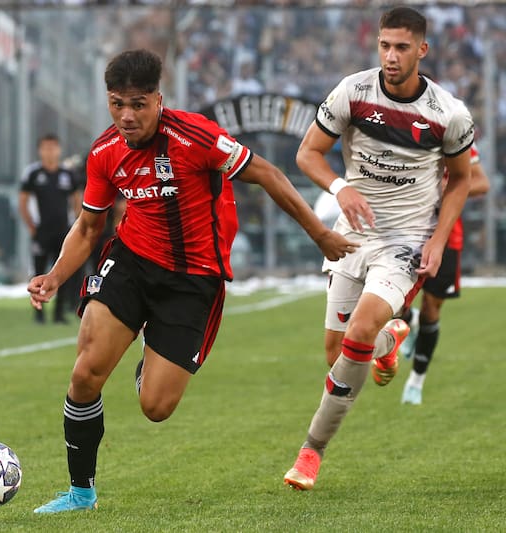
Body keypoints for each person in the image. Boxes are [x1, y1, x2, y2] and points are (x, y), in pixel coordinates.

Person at [27, 48, 355, 513]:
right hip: (132, 262)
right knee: (85, 373)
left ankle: (150, 359)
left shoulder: (195, 136)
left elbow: (268, 174)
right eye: (117, 103)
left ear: (159, 100)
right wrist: (55, 276)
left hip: (194, 280)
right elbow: (87, 227)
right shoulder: (103, 153)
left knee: (156, 408)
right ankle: (81, 492)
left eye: (138, 104)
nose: (127, 115)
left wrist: (320, 234)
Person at [283, 6, 474, 491]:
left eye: (402, 47)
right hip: (352, 238)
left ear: (422, 50)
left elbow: (460, 181)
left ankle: (310, 452)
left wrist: (435, 240)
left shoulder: (448, 114)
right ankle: (390, 342)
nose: (391, 56)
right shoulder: (353, 91)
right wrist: (340, 187)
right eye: (385, 46)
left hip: (405, 243)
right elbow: (307, 154)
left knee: (360, 330)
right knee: (338, 354)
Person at [399, 144, 489, 404]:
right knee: (392, 303)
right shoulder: (401, 131)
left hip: (447, 237)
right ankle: (409, 320)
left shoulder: (455, 135)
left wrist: (443, 191)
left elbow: (481, 183)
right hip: (405, 232)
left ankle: (417, 380)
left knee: (431, 308)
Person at [18, 133, 82, 324]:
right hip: (41, 231)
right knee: (39, 270)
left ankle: (58, 313)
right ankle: (38, 312)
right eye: (46, 147)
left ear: (59, 150)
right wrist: (31, 225)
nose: (50, 151)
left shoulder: (67, 174)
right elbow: (23, 202)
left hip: (63, 231)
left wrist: (76, 223)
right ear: (40, 150)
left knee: (60, 272)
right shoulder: (33, 174)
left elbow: (77, 200)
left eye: (53, 147)